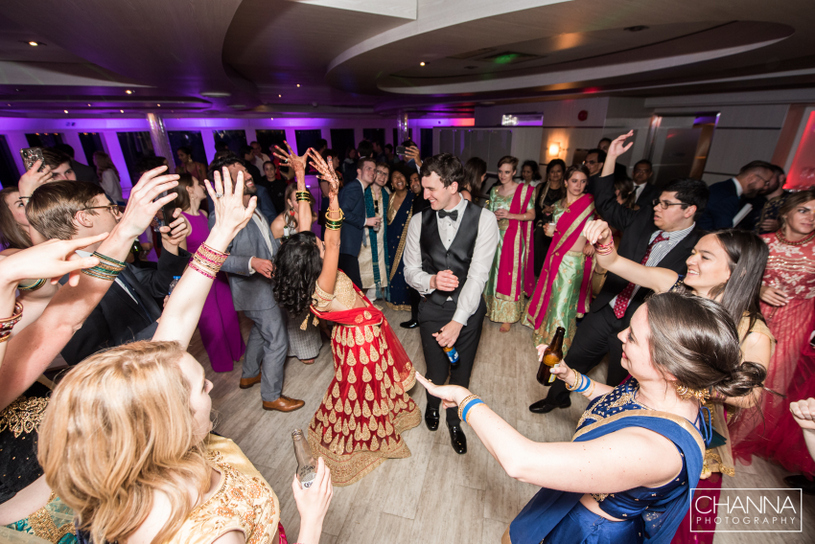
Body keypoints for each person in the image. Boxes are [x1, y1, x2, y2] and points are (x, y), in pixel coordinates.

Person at [37, 172, 333, 544]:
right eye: (195, 386)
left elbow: (176, 316)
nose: (210, 383)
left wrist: (221, 232)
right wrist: (311, 522)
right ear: (161, 414)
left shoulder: (154, 430)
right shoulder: (208, 530)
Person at [418, 291, 765, 544]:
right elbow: (620, 404)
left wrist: (464, 398)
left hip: (586, 532)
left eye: (633, 337)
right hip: (571, 497)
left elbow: (520, 462)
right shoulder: (672, 391)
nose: (619, 337)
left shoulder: (653, 449)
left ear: (671, 367)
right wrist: (575, 379)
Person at [0, 167, 183, 542]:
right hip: (40, 523)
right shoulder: (14, 274)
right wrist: (8, 274)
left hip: (91, 473)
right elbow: (47, 299)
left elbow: (62, 320)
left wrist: (127, 231)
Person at [583, 218, 773, 543]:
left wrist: (682, 378)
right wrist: (603, 242)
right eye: (694, 252)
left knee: (670, 521)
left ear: (735, 272)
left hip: (692, 431)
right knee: (606, 494)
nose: (690, 260)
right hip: (637, 401)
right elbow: (612, 262)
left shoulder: (752, 332)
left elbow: (750, 397)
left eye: (704, 256)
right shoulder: (672, 286)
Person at [528, 131, 708, 415]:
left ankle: (610, 420)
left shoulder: (698, 249)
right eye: (657, 202)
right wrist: (610, 157)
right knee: (574, 357)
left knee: (622, 382)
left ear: (690, 211)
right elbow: (606, 204)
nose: (656, 207)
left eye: (665, 204)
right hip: (607, 307)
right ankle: (556, 398)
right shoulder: (643, 220)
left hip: (642, 326)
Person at [272, 148, 420, 486]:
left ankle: (377, 422)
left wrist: (299, 179)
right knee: (364, 392)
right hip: (360, 342)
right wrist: (335, 195)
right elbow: (333, 239)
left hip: (348, 337)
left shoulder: (303, 270)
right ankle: (366, 438)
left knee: (359, 388)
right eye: (320, 250)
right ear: (315, 262)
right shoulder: (322, 284)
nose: (323, 246)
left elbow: (306, 223)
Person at [26, 180, 191, 366]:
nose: (119, 214)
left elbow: (157, 286)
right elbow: (95, 364)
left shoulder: (105, 259)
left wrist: (170, 244)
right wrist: (164, 323)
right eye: (110, 208)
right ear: (84, 218)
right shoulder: (66, 284)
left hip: (160, 363)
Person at [403, 153, 499, 454]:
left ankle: (454, 420)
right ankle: (432, 404)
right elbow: (410, 271)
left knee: (461, 370)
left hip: (467, 312)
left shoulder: (485, 219)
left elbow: (478, 276)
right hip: (431, 309)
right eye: (423, 187)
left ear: (453, 186)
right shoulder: (418, 220)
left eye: (432, 189)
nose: (425, 194)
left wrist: (458, 321)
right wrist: (430, 281)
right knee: (435, 367)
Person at [208, 154, 302, 412]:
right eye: (240, 176)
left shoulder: (250, 202)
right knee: (278, 341)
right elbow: (216, 258)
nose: (249, 176)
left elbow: (265, 239)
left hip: (268, 285)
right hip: (255, 291)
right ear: (225, 184)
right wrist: (252, 262)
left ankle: (249, 373)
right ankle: (271, 396)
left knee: (262, 332)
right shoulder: (222, 215)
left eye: (247, 171)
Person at [730, 191, 815, 474]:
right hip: (756, 314)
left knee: (770, 375)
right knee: (738, 365)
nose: (811, 217)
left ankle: (738, 438)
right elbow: (737, 276)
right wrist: (761, 289)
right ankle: (716, 424)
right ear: (786, 213)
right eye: (804, 210)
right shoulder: (762, 243)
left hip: (797, 319)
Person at [174, 173, 246, 372]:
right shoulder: (181, 219)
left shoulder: (205, 216)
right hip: (198, 278)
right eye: (198, 183)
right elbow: (179, 257)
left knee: (229, 314)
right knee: (212, 322)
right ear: (189, 189)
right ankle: (222, 364)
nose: (202, 188)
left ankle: (237, 353)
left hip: (219, 273)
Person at [523, 165, 594, 350]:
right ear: (565, 182)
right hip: (555, 257)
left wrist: (592, 243)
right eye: (574, 181)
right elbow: (556, 232)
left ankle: (557, 345)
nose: (578, 185)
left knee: (564, 302)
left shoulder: (588, 204)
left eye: (583, 181)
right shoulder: (558, 206)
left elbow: (600, 228)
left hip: (574, 261)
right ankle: (545, 335)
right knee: (552, 298)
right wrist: (550, 232)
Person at [270, 182, 322, 365]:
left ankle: (312, 344)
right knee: (296, 311)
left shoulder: (308, 217)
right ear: (290, 202)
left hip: (308, 268)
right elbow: (275, 253)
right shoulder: (279, 222)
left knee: (309, 307)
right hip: (291, 272)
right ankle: (301, 351)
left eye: (304, 198)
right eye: (297, 199)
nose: (301, 202)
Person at [485, 156, 535, 332]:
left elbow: (531, 215)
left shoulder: (523, 191)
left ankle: (507, 315)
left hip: (513, 238)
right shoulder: (494, 190)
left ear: (514, 172)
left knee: (509, 273)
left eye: (507, 172)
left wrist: (510, 215)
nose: (502, 175)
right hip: (495, 236)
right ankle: (493, 308)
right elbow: (490, 212)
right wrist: (493, 216)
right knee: (493, 272)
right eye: (500, 171)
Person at [337, 156, 379, 289]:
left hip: (346, 245)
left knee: (349, 284)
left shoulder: (358, 188)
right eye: (368, 169)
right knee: (355, 286)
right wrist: (366, 221)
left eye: (374, 170)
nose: (372, 172)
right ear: (359, 171)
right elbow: (342, 213)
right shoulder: (355, 188)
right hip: (346, 245)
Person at [697, 160, 774, 230]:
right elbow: (723, 231)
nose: (766, 187)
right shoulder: (728, 196)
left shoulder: (722, 187)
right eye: (766, 182)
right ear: (751, 178)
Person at [400, 170, 429, 329]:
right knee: (415, 283)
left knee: (419, 284)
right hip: (418, 245)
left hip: (424, 247)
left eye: (415, 179)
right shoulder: (417, 198)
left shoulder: (426, 198)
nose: (413, 184)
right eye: (410, 181)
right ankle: (417, 317)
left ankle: (418, 318)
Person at [359, 162, 390, 300]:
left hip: (381, 238)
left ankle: (370, 301)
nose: (382, 176)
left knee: (379, 270)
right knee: (363, 270)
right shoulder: (363, 191)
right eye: (379, 172)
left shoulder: (388, 194)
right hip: (364, 237)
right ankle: (359, 301)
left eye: (385, 174)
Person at [385, 169, 415, 311]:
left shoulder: (414, 197)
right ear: (391, 183)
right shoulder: (389, 198)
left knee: (406, 269)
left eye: (401, 175)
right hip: (391, 242)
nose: (399, 179)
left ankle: (409, 302)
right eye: (395, 177)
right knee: (393, 270)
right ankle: (395, 300)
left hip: (409, 243)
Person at [532, 159, 566, 277]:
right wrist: (543, 210)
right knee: (540, 234)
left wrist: (555, 211)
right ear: (548, 173)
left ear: (563, 173)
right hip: (541, 223)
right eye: (552, 171)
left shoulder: (566, 190)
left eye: (558, 171)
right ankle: (537, 275)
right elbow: (532, 208)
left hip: (559, 225)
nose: (555, 174)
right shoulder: (541, 187)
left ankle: (550, 275)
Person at [755, 164, 790, 234]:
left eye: (769, 178)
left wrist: (780, 225)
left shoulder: (792, 200)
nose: (764, 181)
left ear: (781, 178)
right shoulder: (751, 198)